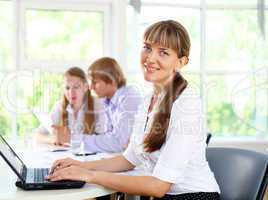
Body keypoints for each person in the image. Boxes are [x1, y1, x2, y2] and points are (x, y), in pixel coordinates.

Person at [47, 20, 220, 199]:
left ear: (181, 62)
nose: (150, 58)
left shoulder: (187, 103)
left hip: (192, 196)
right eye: (147, 48)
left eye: (163, 52)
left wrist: (90, 176)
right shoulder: (148, 100)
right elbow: (129, 159)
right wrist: (81, 166)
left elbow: (158, 186)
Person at [83, 57, 141, 153]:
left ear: (111, 80)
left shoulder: (130, 97)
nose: (91, 87)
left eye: (95, 82)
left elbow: (118, 143)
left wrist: (75, 139)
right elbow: (109, 137)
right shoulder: (108, 101)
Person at [34, 67, 102, 146]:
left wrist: (72, 139)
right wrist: (53, 139)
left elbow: (106, 139)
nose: (71, 92)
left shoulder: (98, 105)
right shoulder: (59, 107)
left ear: (85, 87)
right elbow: (38, 135)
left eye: (76, 87)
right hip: (67, 156)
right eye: (67, 88)